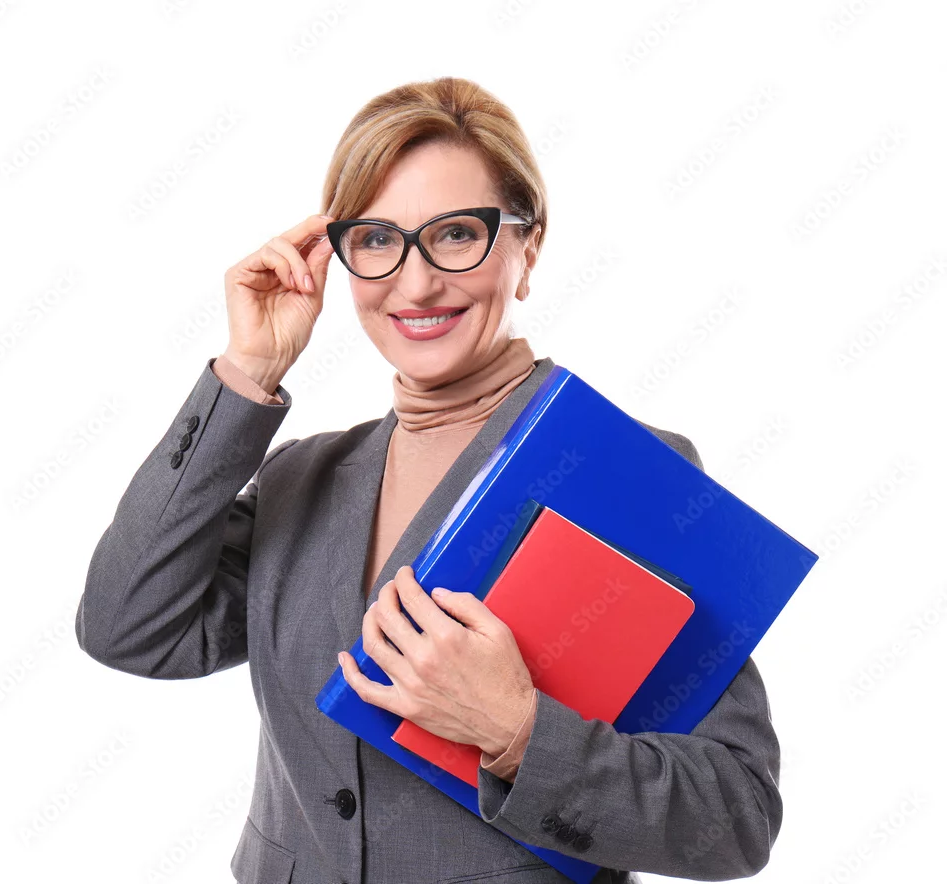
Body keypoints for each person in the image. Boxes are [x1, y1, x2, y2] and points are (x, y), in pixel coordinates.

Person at [74, 76, 782, 884]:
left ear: (527, 249)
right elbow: (126, 628)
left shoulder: (631, 475)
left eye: (455, 235)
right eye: (377, 240)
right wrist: (247, 373)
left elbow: (734, 819)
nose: (415, 284)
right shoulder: (300, 476)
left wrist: (517, 731)